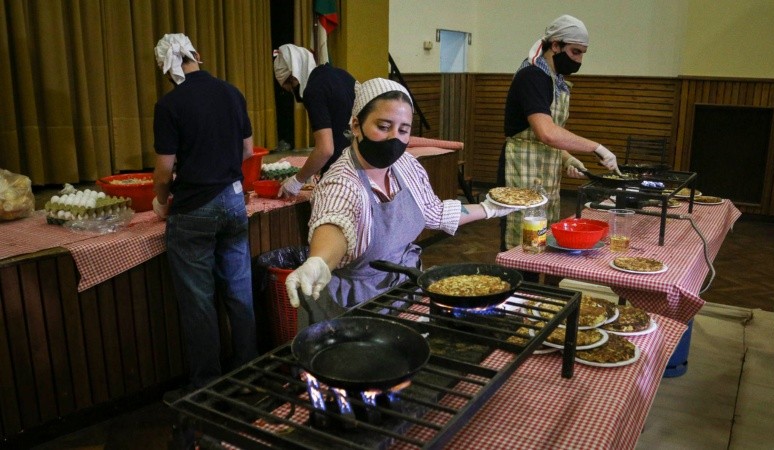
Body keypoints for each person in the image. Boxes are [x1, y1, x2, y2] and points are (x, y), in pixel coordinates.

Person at [284, 78, 522, 321]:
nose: (394, 138)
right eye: (384, 126)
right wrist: (319, 261)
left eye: (403, 130)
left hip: (403, 292)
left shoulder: (406, 166)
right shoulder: (341, 182)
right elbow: (334, 223)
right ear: (356, 125)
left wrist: (489, 208)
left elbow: (434, 212)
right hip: (354, 307)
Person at [151, 33, 258, 391]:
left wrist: (160, 200)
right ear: (197, 54)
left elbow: (164, 172)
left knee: (199, 303)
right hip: (233, 200)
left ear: (168, 69)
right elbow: (247, 151)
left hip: (193, 208)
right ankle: (248, 375)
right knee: (239, 293)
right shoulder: (232, 92)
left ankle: (207, 387)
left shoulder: (169, 105)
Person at [499, 14, 622, 250]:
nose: (580, 60)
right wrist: (596, 147)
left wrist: (567, 158)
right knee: (523, 244)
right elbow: (546, 133)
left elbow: (551, 135)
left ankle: (536, 286)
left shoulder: (555, 79)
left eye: (583, 53)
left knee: (543, 240)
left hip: (545, 171)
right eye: (576, 52)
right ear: (555, 45)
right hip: (519, 169)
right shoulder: (532, 76)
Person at [272, 44, 356, 197]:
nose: (293, 92)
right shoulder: (342, 74)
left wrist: (297, 180)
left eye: (290, 86)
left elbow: (325, 149)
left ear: (294, 76)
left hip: (340, 174)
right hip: (362, 166)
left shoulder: (314, 90)